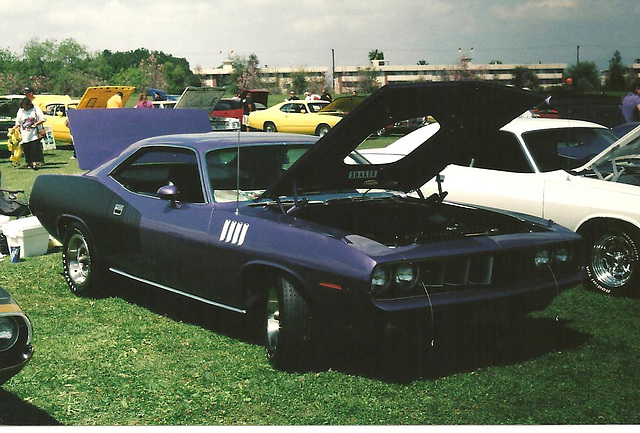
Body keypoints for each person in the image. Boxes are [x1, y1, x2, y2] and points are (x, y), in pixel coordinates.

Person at [14, 87, 46, 170]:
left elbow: (42, 118)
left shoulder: (35, 109)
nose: (24, 108)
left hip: (34, 133)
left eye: (25, 106)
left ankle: (35, 163)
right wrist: (16, 127)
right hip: (24, 134)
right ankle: (29, 163)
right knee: (27, 149)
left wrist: (36, 124)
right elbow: (18, 121)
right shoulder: (20, 111)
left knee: (34, 148)